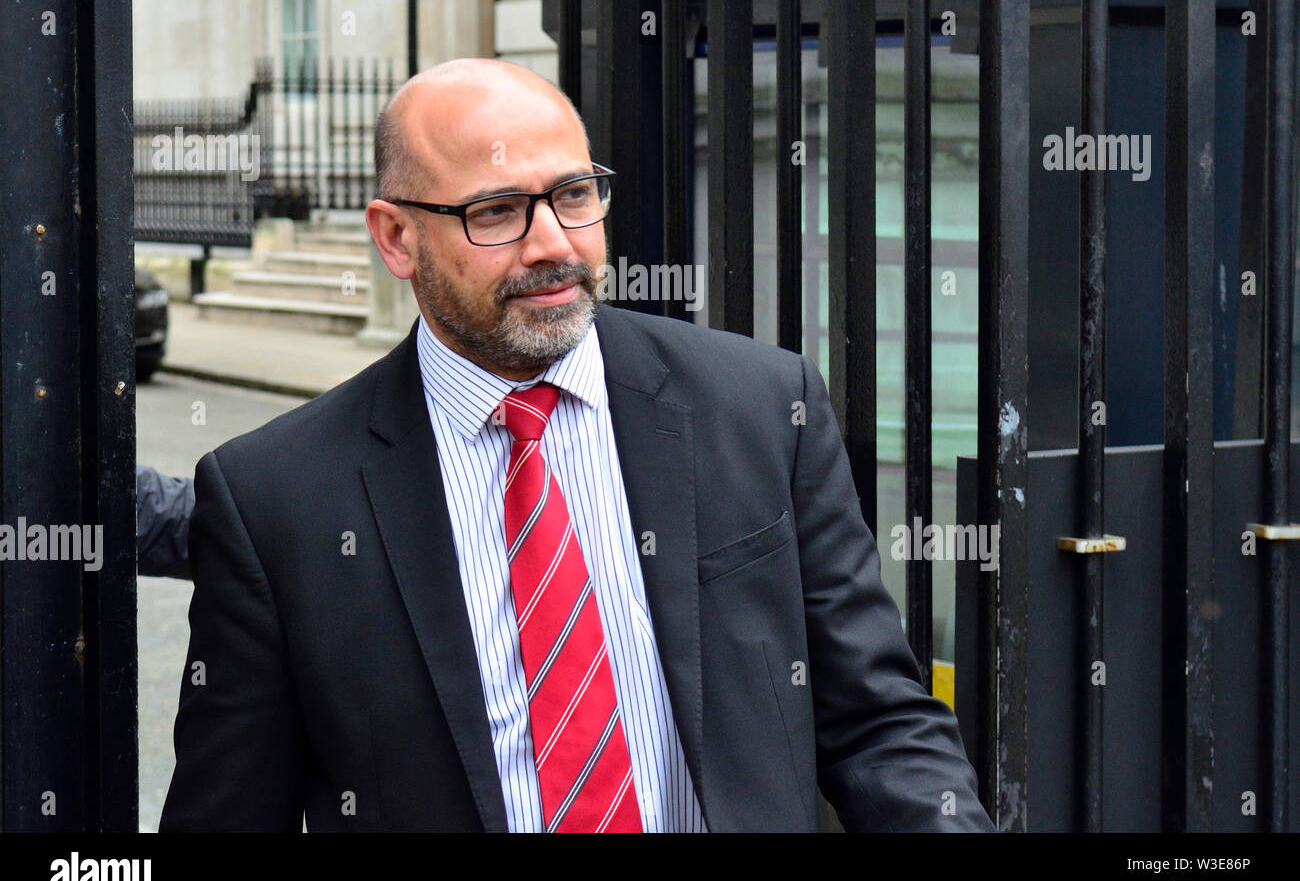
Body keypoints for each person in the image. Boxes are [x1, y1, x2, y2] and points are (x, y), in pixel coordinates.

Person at [161, 58, 993, 833]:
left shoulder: (761, 408)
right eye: (495, 211)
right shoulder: (276, 499)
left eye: (573, 194)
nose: (554, 242)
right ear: (396, 238)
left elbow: (879, 721)